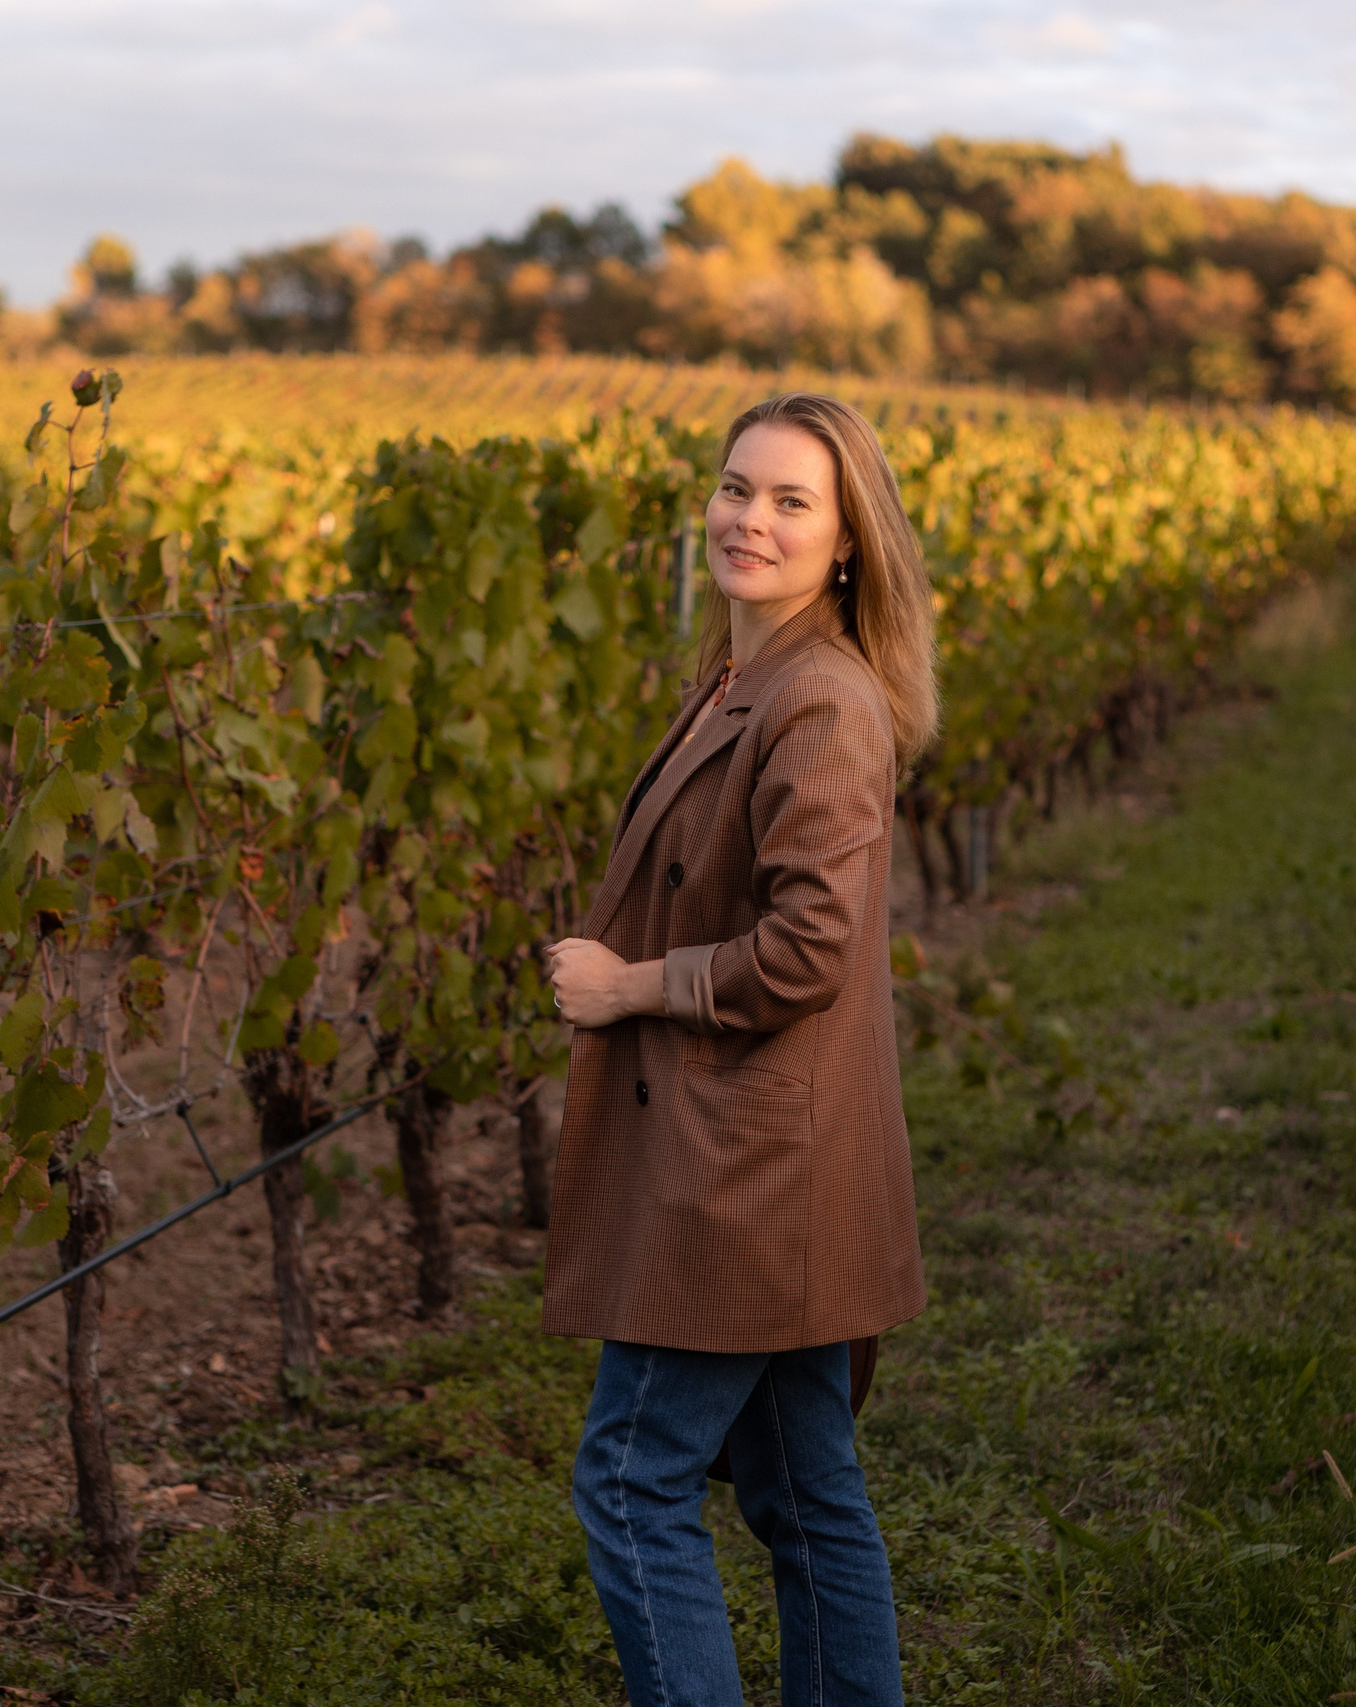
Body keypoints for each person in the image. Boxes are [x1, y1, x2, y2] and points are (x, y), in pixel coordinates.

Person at [542, 392, 937, 1707]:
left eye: (788, 501)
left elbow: (808, 949)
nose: (747, 519)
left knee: (631, 1480)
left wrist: (631, 986)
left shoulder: (817, 702)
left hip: (746, 1173)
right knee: (802, 1487)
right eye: (734, 488)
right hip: (777, 1157)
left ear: (845, 544)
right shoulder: (749, 675)